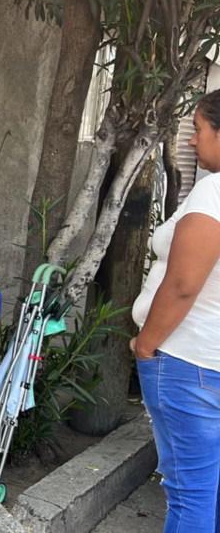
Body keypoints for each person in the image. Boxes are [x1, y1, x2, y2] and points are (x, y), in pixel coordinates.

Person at [131, 90, 220, 532]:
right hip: (212, 363)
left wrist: (146, 345)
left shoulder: (214, 192)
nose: (190, 141)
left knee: (189, 497)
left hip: (190, 364)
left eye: (199, 129)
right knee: (211, 491)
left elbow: (183, 284)